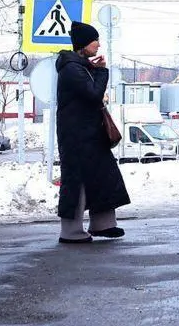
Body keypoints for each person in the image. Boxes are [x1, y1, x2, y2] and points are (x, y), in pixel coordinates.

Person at [56, 21, 131, 244]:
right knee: (76, 180)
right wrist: (102, 72)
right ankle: (70, 231)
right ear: (83, 44)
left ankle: (103, 224)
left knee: (105, 176)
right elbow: (93, 94)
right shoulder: (71, 68)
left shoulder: (80, 66)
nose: (98, 44)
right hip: (76, 137)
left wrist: (95, 70)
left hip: (91, 134)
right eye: (94, 40)